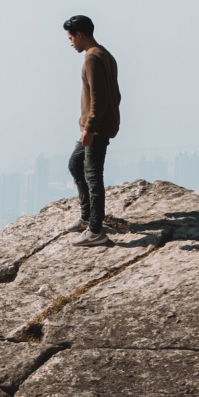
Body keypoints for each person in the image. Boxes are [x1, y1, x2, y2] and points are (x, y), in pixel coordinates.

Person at [62, 15, 121, 246]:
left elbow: (99, 98)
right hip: (98, 125)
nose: (70, 44)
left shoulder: (93, 59)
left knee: (93, 176)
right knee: (75, 164)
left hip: (96, 128)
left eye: (70, 38)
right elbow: (116, 94)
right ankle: (87, 218)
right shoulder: (105, 54)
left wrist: (90, 127)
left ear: (80, 35)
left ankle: (96, 230)